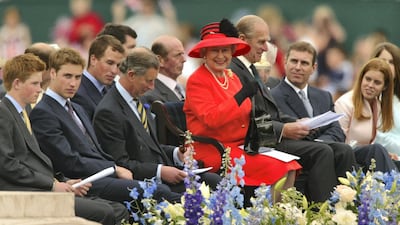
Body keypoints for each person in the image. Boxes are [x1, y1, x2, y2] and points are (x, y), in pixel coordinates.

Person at [29, 47, 182, 204]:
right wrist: (114, 169)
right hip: (83, 181)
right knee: (159, 192)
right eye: (67, 76)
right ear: (53, 73)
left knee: (179, 188)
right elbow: (69, 160)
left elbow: (97, 151)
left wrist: (113, 168)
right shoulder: (44, 112)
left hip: (102, 174)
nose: (73, 83)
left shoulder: (77, 108)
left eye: (78, 77)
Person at [0, 53, 128, 225]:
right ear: (17, 83)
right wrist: (52, 185)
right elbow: (8, 165)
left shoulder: (24, 113)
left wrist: (64, 182)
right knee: (104, 212)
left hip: (42, 187)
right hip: (23, 193)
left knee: (117, 209)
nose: (40, 89)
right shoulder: (4, 113)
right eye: (35, 83)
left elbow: (36, 160)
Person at [183, 18, 301, 205]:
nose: (221, 56)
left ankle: (275, 214)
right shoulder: (197, 80)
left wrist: (267, 131)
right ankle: (265, 216)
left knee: (291, 165)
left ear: (232, 52)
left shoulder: (230, 76)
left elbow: (246, 113)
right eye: (215, 50)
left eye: (225, 50)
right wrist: (240, 97)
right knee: (280, 169)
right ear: (204, 53)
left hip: (242, 146)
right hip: (215, 150)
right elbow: (212, 119)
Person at [230, 15, 344, 202]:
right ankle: (323, 213)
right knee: (322, 151)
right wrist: (284, 129)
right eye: (262, 42)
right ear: (242, 40)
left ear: (314, 68)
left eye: (267, 41)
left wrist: (295, 123)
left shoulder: (247, 69)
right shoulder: (235, 71)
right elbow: (246, 118)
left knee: (342, 149)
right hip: (255, 142)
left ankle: (347, 207)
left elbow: (265, 111)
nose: (267, 48)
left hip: (266, 136)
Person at [93, 47, 221, 193]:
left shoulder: (137, 100)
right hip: (143, 183)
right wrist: (160, 171)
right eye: (149, 81)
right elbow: (121, 164)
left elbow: (151, 146)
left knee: (213, 180)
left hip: (161, 174)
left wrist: (176, 154)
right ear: (131, 75)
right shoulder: (109, 111)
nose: (152, 87)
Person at [270, 41, 356, 178]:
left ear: (313, 68)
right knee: (325, 151)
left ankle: (348, 196)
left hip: (322, 146)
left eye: (304, 63)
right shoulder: (273, 96)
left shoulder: (323, 96)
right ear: (285, 62)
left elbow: (336, 131)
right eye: (294, 61)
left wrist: (321, 142)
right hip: (295, 151)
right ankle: (324, 199)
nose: (297, 67)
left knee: (345, 150)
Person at [335, 58, 397, 173]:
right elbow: (338, 146)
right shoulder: (345, 103)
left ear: (384, 87)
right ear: (361, 78)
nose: (370, 85)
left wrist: (384, 155)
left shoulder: (377, 105)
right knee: (377, 149)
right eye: (368, 79)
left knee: (393, 159)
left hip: (364, 159)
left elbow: (369, 144)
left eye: (377, 82)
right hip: (345, 158)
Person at [72, 35, 125, 119]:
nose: (114, 71)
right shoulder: (76, 91)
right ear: (93, 60)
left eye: (118, 65)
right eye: (110, 63)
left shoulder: (114, 88)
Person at [371, 42, 400, 157]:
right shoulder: (370, 99)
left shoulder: (397, 99)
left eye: (392, 62)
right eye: (383, 60)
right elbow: (377, 136)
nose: (387, 65)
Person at [142, 35, 186, 104]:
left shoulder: (183, 89)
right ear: (159, 60)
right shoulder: (151, 96)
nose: (184, 59)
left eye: (183, 54)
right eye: (178, 55)